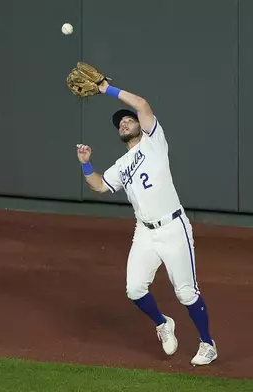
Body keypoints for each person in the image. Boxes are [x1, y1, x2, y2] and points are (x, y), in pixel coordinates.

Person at [75, 80, 217, 366]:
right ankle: (163, 323)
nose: (125, 123)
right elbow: (99, 186)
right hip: (145, 232)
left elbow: (141, 104)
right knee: (134, 289)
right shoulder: (121, 165)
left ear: (140, 124)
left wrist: (106, 89)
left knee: (186, 292)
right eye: (121, 124)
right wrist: (85, 163)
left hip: (173, 228)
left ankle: (207, 344)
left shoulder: (155, 142)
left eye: (128, 120)